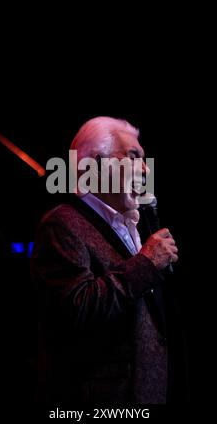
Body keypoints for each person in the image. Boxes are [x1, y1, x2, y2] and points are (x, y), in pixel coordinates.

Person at [30, 116, 180, 406]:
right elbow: (79, 308)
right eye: (134, 156)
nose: (146, 169)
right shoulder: (62, 225)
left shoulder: (134, 227)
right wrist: (146, 262)